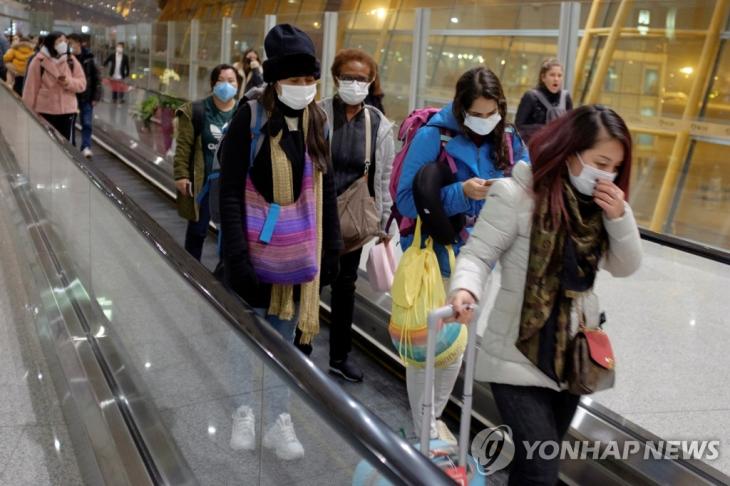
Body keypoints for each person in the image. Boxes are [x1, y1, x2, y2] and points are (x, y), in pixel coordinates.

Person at [448, 105, 642, 485]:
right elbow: (478, 254)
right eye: (600, 162)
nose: (607, 175)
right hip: (516, 354)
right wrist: (465, 289)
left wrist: (620, 217)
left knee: (534, 461)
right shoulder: (516, 195)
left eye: (615, 167)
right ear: (571, 152)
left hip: (573, 357)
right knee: (541, 469)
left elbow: (625, 265)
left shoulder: (601, 210)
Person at [219, 24, 341, 461]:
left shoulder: (316, 121)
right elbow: (230, 192)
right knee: (243, 341)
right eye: (294, 81)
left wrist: (330, 255)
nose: (304, 89)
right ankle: (244, 412)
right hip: (253, 255)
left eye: (310, 81)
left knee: (285, 344)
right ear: (274, 80)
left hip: (296, 262)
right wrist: (237, 260)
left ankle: (277, 419)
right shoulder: (249, 121)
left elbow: (324, 191)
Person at [396, 66, 529, 442]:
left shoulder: (510, 140)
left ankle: (432, 420)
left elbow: (527, 189)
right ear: (462, 108)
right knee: (429, 346)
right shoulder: (433, 137)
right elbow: (406, 201)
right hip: (435, 254)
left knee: (456, 347)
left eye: (493, 113)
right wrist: (462, 194)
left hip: (479, 257)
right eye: (478, 114)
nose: (486, 121)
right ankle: (424, 428)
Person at [301, 48, 395, 382]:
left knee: (345, 287)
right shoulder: (317, 114)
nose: (354, 83)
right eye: (348, 77)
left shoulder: (379, 126)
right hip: (314, 215)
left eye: (362, 78)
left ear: (371, 82)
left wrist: (384, 223)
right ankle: (300, 345)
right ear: (336, 78)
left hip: (352, 223)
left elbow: (383, 178)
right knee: (308, 280)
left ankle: (340, 356)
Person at [174, 63, 241, 261]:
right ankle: (191, 269)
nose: (226, 85)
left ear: (238, 85)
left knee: (230, 234)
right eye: (221, 81)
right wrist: (181, 174)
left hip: (229, 185)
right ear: (212, 83)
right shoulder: (198, 111)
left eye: (231, 81)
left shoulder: (243, 112)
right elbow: (184, 146)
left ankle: (225, 276)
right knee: (197, 231)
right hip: (203, 183)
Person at [22, 32, 86, 141]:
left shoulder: (71, 60)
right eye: (60, 41)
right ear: (51, 43)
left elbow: (82, 84)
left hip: (67, 111)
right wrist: (27, 113)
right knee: (44, 143)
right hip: (45, 111)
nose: (64, 44)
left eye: (65, 41)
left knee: (65, 146)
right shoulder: (39, 61)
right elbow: (30, 89)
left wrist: (68, 82)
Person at [515, 58, 573, 143]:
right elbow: (519, 126)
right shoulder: (530, 96)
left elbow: (570, 125)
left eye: (559, 75)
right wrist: (544, 129)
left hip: (558, 147)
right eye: (552, 75)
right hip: (535, 148)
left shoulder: (566, 97)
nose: (556, 79)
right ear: (543, 77)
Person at [68, 33, 102, 158]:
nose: (69, 45)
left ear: (78, 43)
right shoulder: (67, 58)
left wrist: (96, 97)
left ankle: (86, 146)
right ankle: (70, 144)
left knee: (86, 123)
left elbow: (97, 79)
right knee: (70, 122)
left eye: (71, 42)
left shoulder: (90, 58)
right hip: (71, 96)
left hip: (87, 97)